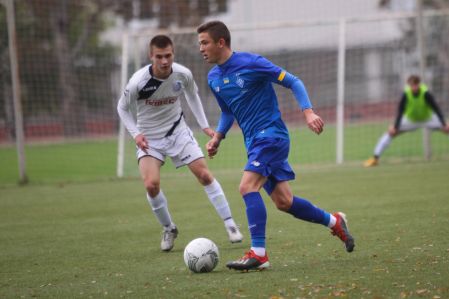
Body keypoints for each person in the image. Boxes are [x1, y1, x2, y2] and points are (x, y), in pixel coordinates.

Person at [196, 21, 355, 271]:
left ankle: (259, 254)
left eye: (204, 43)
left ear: (221, 42)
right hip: (255, 142)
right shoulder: (214, 77)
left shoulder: (252, 63)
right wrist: (218, 137)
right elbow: (228, 111)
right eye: (200, 44)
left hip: (271, 136)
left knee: (247, 187)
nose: (201, 49)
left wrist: (308, 112)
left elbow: (294, 81)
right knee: (284, 202)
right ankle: (334, 221)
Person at [117, 34, 243, 252]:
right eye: (159, 57)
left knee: (204, 175)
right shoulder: (138, 81)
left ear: (173, 54)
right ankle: (169, 228)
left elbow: (193, 96)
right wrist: (136, 133)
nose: (165, 61)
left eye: (168, 56)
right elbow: (122, 108)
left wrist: (204, 125)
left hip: (178, 132)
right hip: (149, 138)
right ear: (151, 57)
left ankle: (230, 223)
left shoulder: (182, 74)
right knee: (151, 185)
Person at [364, 75, 449, 167]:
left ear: (419, 84)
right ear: (409, 85)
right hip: (410, 119)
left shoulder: (426, 93)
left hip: (427, 118)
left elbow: (436, 108)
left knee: (447, 128)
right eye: (412, 85)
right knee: (391, 132)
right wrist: (395, 126)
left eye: (416, 85)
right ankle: (375, 158)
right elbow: (400, 110)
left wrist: (444, 123)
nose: (414, 87)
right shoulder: (406, 93)